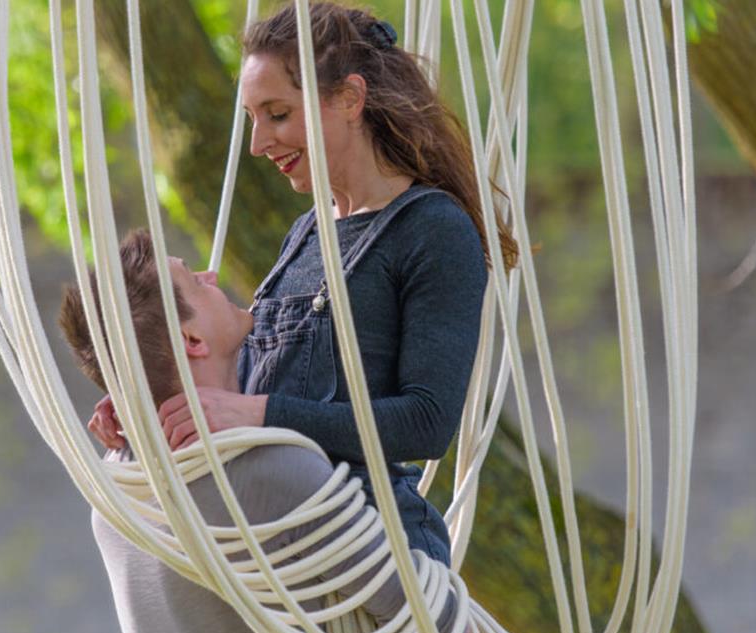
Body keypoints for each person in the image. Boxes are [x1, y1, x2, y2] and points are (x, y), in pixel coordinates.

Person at [89, 2, 519, 570]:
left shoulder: (432, 230)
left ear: (348, 100)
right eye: (252, 118)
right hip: (281, 542)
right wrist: (148, 406)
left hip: (377, 555)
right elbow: (236, 378)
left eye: (278, 115)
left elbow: (426, 423)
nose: (258, 143)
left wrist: (261, 416)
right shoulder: (308, 230)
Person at [59, 229, 465, 633]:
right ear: (191, 339)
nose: (211, 275)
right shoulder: (272, 471)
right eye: (194, 281)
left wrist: (134, 399)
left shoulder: (115, 496)